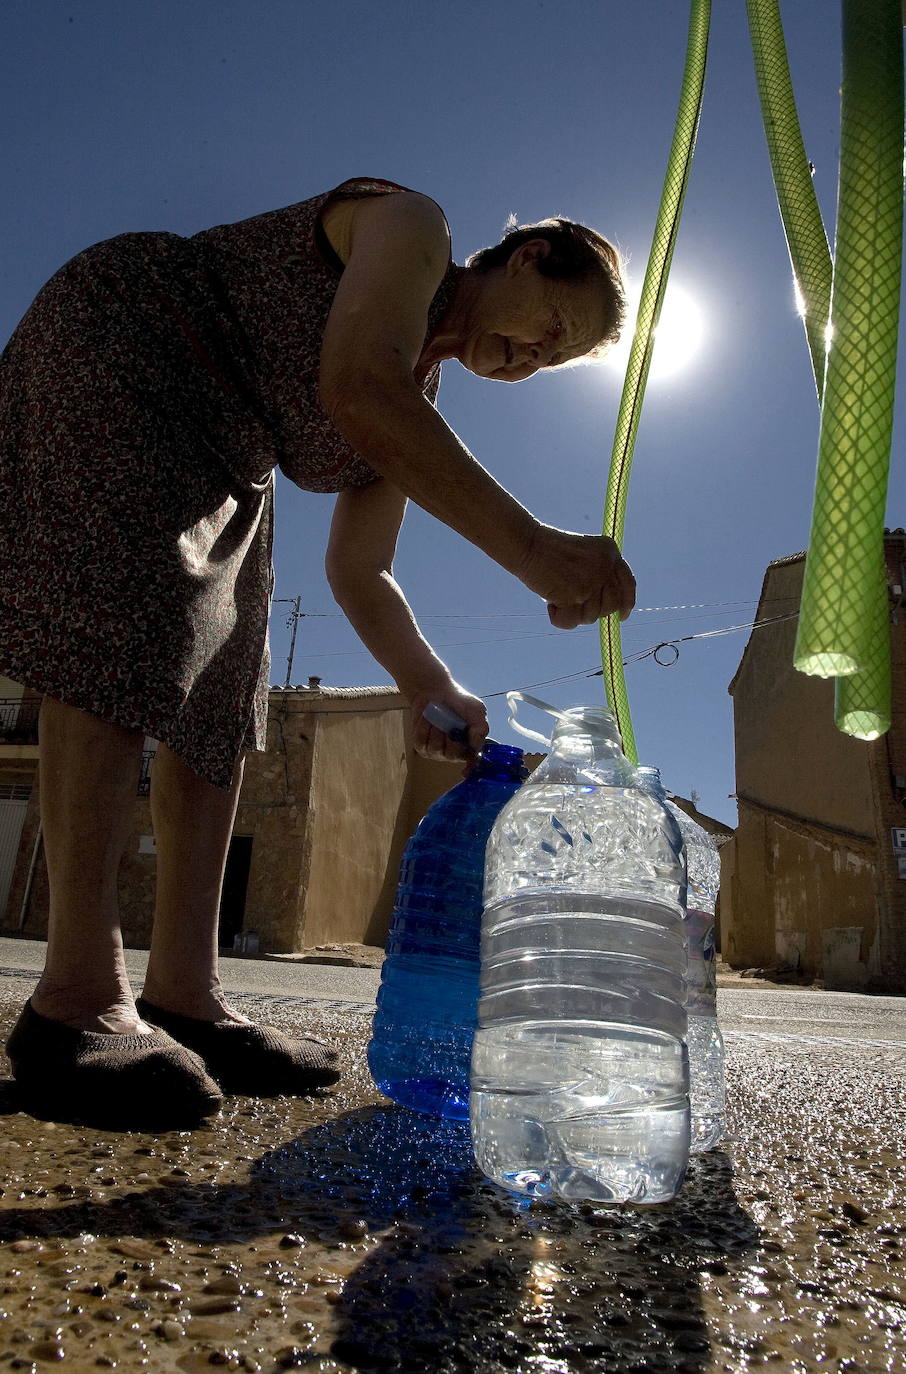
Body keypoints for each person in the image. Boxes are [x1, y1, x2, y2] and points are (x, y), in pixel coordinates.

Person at [0, 176, 636, 1129]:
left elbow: (362, 573)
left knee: (224, 686)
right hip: (130, 338)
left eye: (560, 360)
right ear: (529, 255)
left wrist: (430, 682)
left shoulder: (415, 410)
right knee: (121, 631)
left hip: (229, 450)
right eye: (557, 322)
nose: (541, 353)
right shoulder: (411, 227)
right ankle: (74, 999)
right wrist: (538, 553)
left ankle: (187, 993)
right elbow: (355, 384)